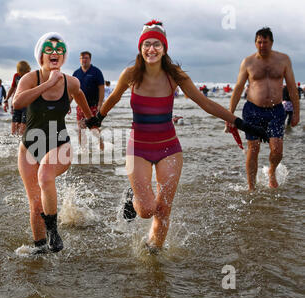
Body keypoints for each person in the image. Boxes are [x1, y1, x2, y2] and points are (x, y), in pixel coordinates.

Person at [91, 20, 268, 253]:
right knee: (146, 209)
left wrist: (240, 123)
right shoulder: (131, 74)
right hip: (139, 148)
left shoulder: (174, 75)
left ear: (164, 48)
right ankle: (133, 195)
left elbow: (204, 102)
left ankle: (153, 251)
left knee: (163, 208)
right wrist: (98, 118)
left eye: (156, 44)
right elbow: (113, 98)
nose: (151, 49)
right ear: (140, 48)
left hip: (169, 148)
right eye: (146, 45)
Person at [12, 32, 98, 254]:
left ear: (64, 56)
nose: (55, 54)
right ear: (40, 55)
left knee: (45, 176)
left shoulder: (71, 81)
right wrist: (48, 83)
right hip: (29, 147)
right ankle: (40, 250)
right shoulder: (30, 79)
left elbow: (79, 95)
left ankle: (53, 231)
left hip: (59, 143)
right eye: (49, 50)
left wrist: (91, 120)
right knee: (35, 203)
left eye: (59, 51)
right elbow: (17, 102)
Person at [225, 27, 300, 190]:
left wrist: (296, 113)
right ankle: (251, 186)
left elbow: (293, 88)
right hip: (252, 109)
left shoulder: (283, 60)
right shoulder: (248, 62)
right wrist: (229, 115)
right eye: (259, 42)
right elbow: (238, 88)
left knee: (277, 150)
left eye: (265, 42)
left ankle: (271, 172)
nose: (262, 45)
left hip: (276, 110)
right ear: (255, 43)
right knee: (253, 148)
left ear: (271, 43)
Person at [73, 51, 105, 149]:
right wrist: (67, 104)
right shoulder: (76, 73)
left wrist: (100, 103)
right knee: (80, 129)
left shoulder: (96, 72)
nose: (84, 60)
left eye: (86, 58)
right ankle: (82, 150)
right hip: (80, 106)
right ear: (80, 60)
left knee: (94, 128)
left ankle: (101, 145)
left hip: (93, 105)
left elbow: (101, 88)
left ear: (90, 59)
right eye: (82, 58)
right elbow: (71, 90)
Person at [4, 61, 31, 135]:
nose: (21, 74)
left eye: (24, 71)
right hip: (17, 103)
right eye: (20, 71)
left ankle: (22, 142)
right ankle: (13, 145)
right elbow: (12, 88)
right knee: (14, 127)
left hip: (27, 105)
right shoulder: (16, 76)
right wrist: (6, 100)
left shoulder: (31, 76)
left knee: (23, 126)